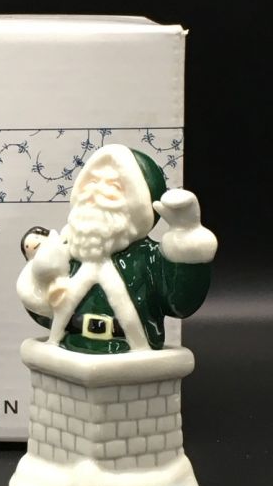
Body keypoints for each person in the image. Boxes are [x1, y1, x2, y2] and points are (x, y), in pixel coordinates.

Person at [16, 145, 217, 353]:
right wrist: (41, 274)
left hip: (131, 354)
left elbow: (180, 304)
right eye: (92, 182)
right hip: (71, 346)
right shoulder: (67, 253)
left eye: (113, 186)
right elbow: (40, 307)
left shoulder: (147, 258)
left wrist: (186, 235)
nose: (96, 192)